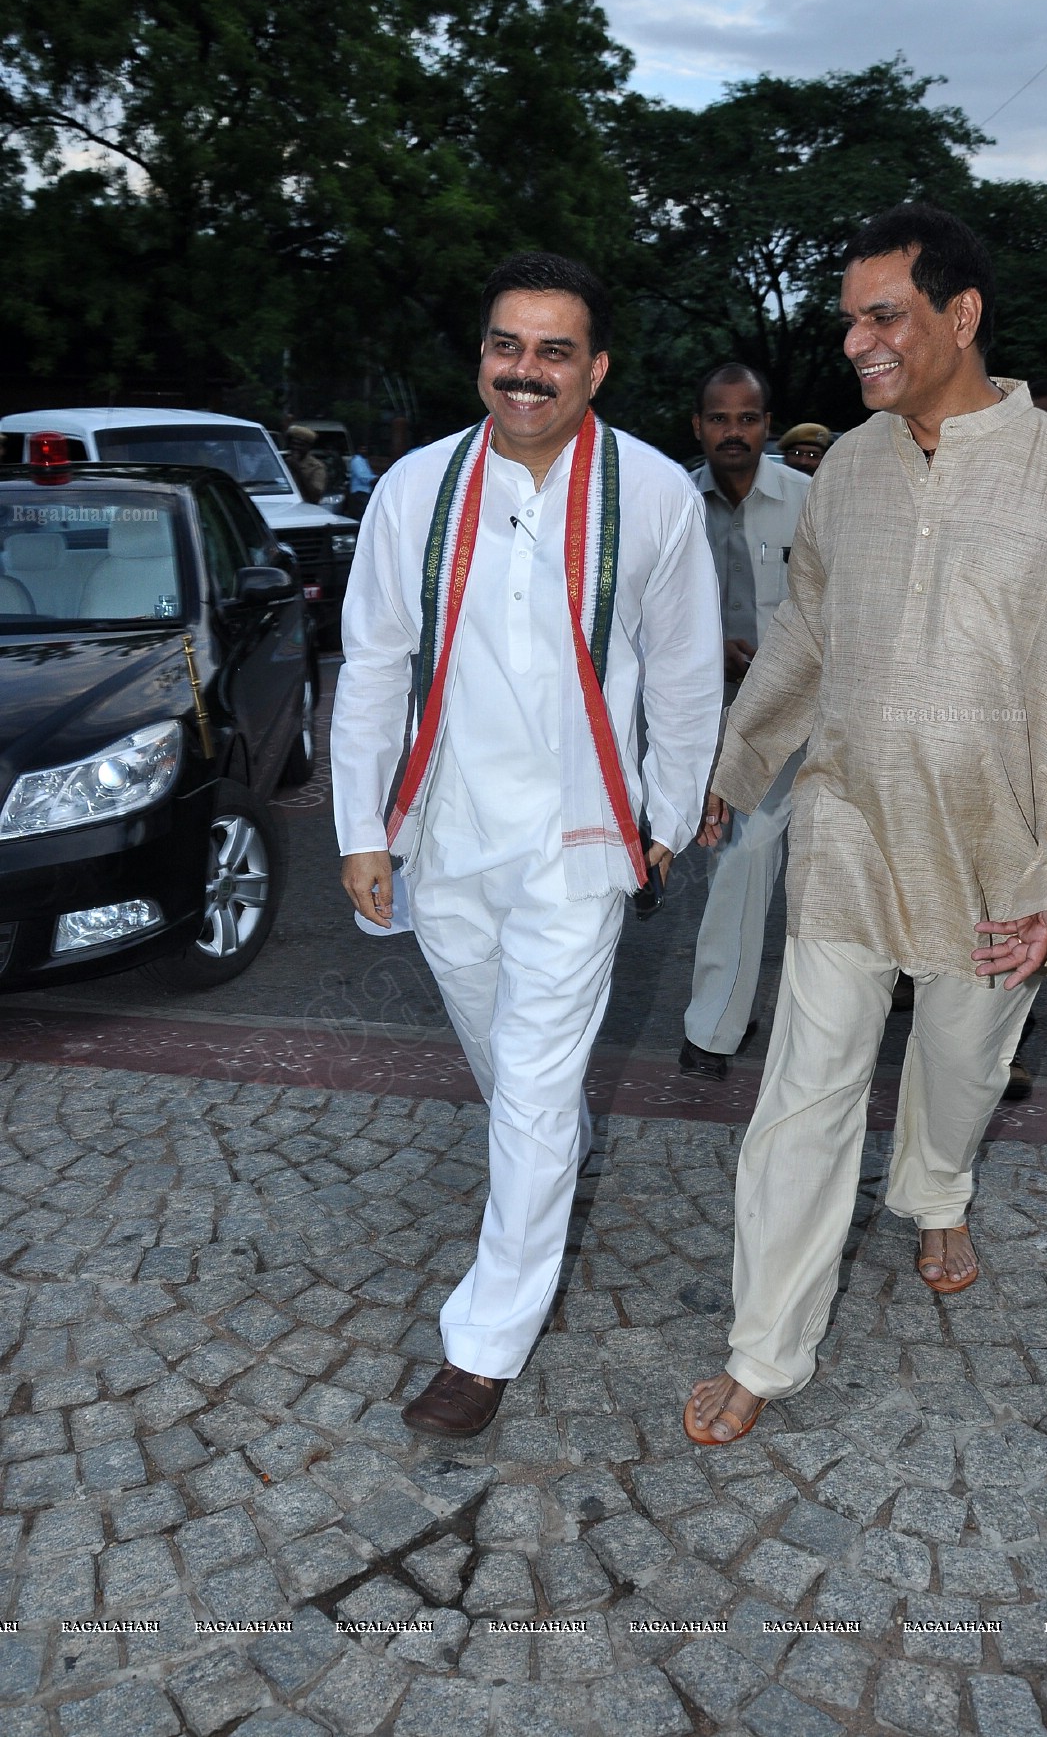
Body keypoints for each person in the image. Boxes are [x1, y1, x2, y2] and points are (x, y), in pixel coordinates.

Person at [685, 203, 1047, 1445]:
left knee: (957, 1073)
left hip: (999, 859)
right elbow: (804, 632)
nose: (854, 343)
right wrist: (734, 766)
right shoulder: (844, 470)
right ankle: (763, 1347)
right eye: (848, 318)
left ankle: (937, 1189)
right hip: (848, 834)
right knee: (802, 1094)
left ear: (958, 315)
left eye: (881, 314)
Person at [331, 251, 723, 1437]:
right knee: (508, 1064)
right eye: (508, 345)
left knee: (539, 1074)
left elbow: (688, 672)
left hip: (577, 837)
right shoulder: (412, 488)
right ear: (482, 356)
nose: (526, 371)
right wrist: (360, 829)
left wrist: (662, 814)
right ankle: (548, 1153)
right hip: (442, 830)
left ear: (594, 368)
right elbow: (373, 665)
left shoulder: (651, 493)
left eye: (554, 351)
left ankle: (484, 1343)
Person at [680, 364, 810, 1080]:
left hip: (786, 720)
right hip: (691, 716)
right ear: (698, 427)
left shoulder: (810, 502)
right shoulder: (668, 501)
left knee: (744, 853)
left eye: (749, 417)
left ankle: (711, 1029)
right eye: (720, 418)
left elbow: (838, 611)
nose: (735, 431)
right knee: (709, 856)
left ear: (768, 425)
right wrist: (706, 651)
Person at [284, 425, 328, 505]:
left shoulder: (317, 467)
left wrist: (298, 470)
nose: (295, 447)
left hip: (305, 509)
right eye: (293, 444)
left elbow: (315, 496)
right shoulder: (285, 462)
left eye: (300, 445)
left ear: (309, 447)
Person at [346, 442, 377, 520]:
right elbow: (363, 477)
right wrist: (376, 479)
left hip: (365, 492)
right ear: (358, 450)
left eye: (365, 449)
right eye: (362, 449)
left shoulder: (364, 460)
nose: (364, 451)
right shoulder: (357, 460)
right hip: (359, 492)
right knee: (362, 515)